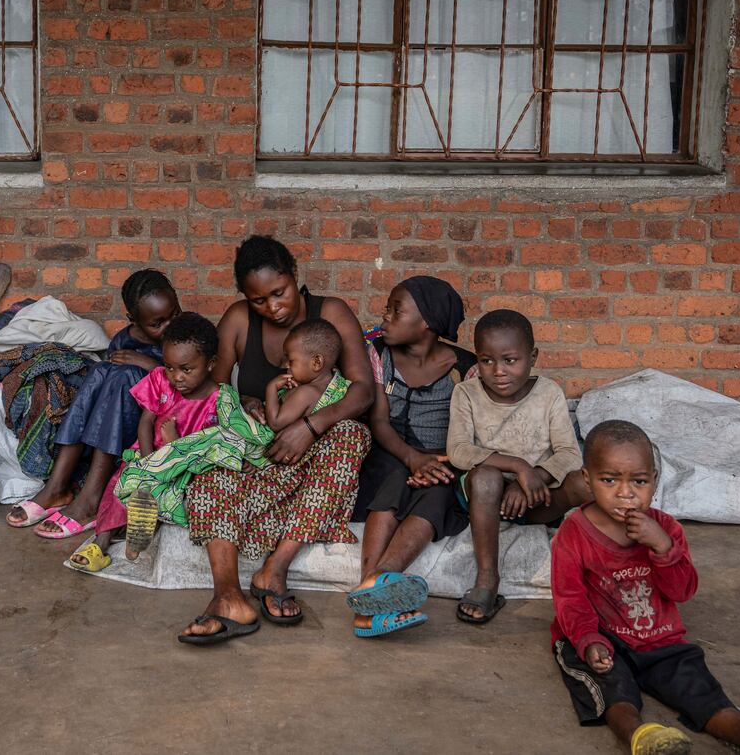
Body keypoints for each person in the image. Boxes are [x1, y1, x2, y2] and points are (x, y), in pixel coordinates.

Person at [552, 420, 740, 755]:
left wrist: (663, 547)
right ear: (587, 480)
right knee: (614, 691)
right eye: (609, 480)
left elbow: (682, 591)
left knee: (701, 692)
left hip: (659, 639)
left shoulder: (665, 528)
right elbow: (570, 598)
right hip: (602, 639)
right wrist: (588, 640)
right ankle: (642, 737)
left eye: (638, 481)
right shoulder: (573, 532)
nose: (625, 493)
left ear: (653, 481)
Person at [177, 235, 375, 644]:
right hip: (263, 455)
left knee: (351, 433)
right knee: (212, 472)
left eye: (279, 293)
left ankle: (274, 569)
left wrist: (310, 426)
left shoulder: (331, 312)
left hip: (317, 457)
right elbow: (213, 391)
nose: (273, 307)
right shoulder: (236, 321)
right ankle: (228, 596)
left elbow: (362, 391)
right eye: (259, 300)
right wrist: (244, 400)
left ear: (295, 276)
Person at [346, 276, 476, 638]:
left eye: (395, 311)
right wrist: (412, 459)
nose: (384, 316)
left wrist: (432, 463)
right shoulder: (377, 354)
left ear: (428, 324)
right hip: (389, 452)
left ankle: (370, 590)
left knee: (438, 491)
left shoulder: (465, 368)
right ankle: (374, 586)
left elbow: (472, 430)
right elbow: (380, 422)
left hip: (441, 461)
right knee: (390, 480)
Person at [6, 270, 178, 538]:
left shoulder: (187, 332)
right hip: (122, 417)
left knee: (126, 375)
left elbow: (194, 380)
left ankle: (90, 499)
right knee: (100, 372)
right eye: (157, 323)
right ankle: (57, 487)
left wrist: (149, 365)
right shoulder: (123, 340)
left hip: (163, 416)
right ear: (134, 319)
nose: (169, 325)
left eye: (174, 314)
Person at [447, 308, 589, 625]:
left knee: (585, 482)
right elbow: (458, 451)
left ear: (533, 356)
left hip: (539, 498)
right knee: (485, 478)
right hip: (485, 499)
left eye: (510, 360)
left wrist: (532, 477)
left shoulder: (548, 393)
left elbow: (569, 453)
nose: (498, 371)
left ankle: (598, 569)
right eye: (486, 360)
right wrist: (517, 466)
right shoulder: (466, 393)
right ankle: (487, 581)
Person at [68, 313, 224, 573]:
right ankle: (100, 544)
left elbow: (208, 446)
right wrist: (150, 460)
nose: (177, 377)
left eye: (186, 370)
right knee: (120, 485)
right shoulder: (161, 380)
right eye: (171, 367)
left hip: (184, 464)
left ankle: (139, 529)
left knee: (165, 493)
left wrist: (173, 448)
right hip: (148, 455)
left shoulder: (217, 400)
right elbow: (145, 422)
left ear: (211, 364)